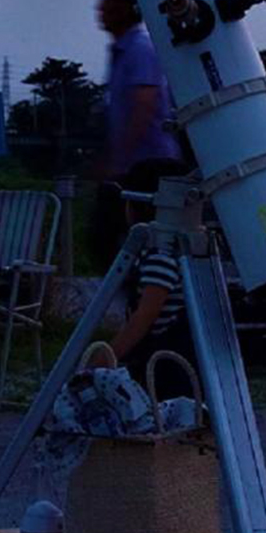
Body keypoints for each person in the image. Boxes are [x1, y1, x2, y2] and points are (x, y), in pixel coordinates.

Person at [90, 0, 182, 270]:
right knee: (113, 245)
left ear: (129, 8)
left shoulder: (140, 48)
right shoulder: (121, 50)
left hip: (149, 167)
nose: (100, 7)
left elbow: (144, 107)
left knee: (136, 250)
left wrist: (118, 160)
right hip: (134, 166)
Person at [86, 157, 194, 400]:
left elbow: (143, 319)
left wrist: (108, 356)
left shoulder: (160, 258)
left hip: (165, 367)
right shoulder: (171, 252)